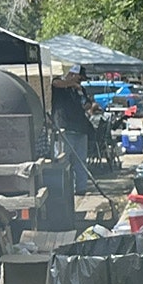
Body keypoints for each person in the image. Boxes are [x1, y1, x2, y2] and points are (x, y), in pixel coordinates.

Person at [50, 65, 96, 193]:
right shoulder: (60, 86)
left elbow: (87, 105)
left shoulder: (80, 89)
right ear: (72, 74)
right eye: (79, 78)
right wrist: (70, 84)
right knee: (63, 161)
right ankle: (61, 190)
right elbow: (55, 83)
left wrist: (82, 95)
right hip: (65, 128)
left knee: (81, 161)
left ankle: (81, 189)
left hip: (80, 128)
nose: (80, 81)